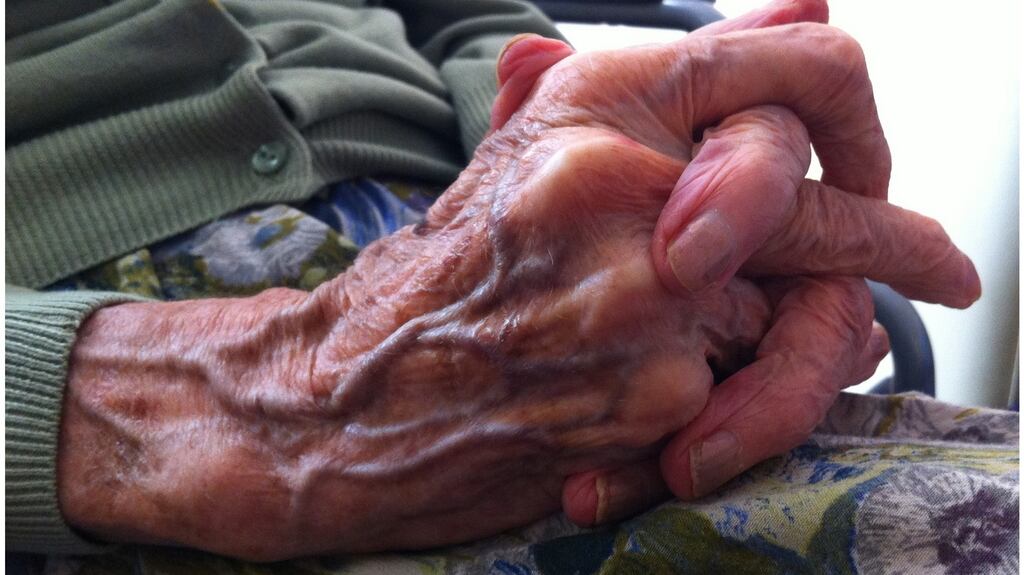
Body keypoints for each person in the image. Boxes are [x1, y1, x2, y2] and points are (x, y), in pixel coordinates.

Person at [6, 0, 982, 563]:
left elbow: (479, 20)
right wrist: (222, 402)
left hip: (462, 228)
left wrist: (570, 168)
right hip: (80, 301)